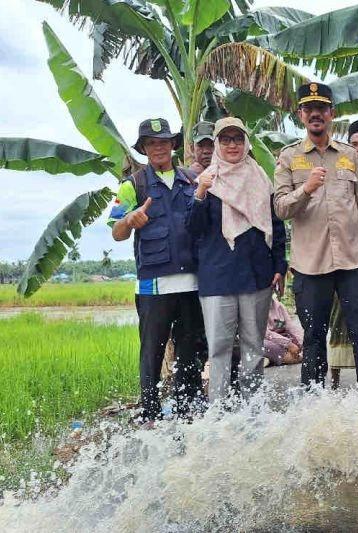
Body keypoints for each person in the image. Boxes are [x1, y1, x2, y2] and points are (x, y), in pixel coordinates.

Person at [274, 82, 358, 388]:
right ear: (301, 115)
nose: (316, 115)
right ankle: (315, 406)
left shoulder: (349, 155)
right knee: (312, 339)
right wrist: (306, 189)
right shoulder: (289, 157)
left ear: (331, 114)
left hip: (353, 262)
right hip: (311, 266)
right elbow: (281, 208)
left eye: (321, 109)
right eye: (309, 109)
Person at [108, 118, 205, 423]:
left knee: (190, 350)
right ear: (144, 149)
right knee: (152, 351)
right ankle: (150, 413)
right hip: (153, 286)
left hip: (191, 284)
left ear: (173, 145)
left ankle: (186, 409)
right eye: (151, 143)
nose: (158, 147)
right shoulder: (132, 185)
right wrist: (129, 220)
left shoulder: (191, 180)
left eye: (164, 141)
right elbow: (116, 231)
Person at [187, 117, 287, 403]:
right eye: (226, 139)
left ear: (246, 143)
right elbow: (193, 229)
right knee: (218, 348)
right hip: (217, 279)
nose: (232, 145)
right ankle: (218, 410)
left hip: (256, 276)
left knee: (253, 346)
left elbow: (275, 226)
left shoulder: (260, 179)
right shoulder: (206, 181)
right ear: (217, 144)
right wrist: (201, 192)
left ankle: (252, 408)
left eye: (238, 139)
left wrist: (279, 266)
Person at [327, 120, 358, 387]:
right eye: (354, 144)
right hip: (341, 259)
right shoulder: (336, 169)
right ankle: (333, 378)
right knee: (336, 320)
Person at [264, 296, 304, 367]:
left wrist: (302, 342)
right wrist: (289, 344)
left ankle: (271, 359)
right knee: (265, 345)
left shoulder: (278, 306)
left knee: (304, 338)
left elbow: (291, 327)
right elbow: (266, 333)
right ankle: (294, 358)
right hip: (265, 339)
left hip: (283, 338)